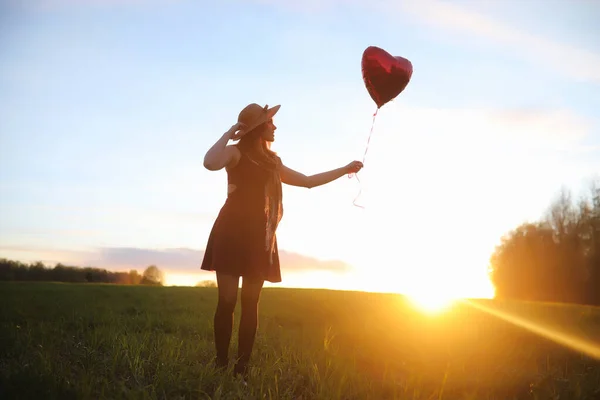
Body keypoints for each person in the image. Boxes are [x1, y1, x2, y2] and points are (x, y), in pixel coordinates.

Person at [200, 102, 363, 378]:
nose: (274, 126)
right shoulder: (235, 153)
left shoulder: (273, 163)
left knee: (251, 303)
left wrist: (345, 169)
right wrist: (229, 133)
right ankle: (220, 364)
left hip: (259, 238)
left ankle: (242, 368)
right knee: (227, 302)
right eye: (269, 122)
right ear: (256, 128)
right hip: (230, 232)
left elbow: (308, 181)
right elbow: (209, 162)